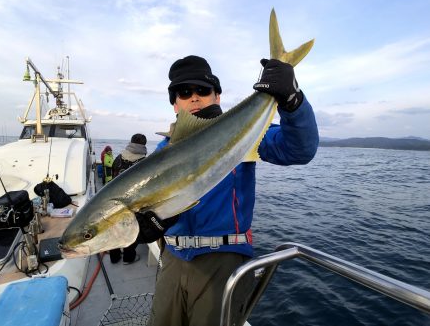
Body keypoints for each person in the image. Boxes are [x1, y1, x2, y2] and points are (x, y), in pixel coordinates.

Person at [136, 55, 319, 325]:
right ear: (175, 103)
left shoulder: (242, 134)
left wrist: (293, 102)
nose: (194, 98)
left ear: (217, 96)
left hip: (222, 262)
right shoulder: (164, 149)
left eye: (203, 90)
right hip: (173, 259)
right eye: (184, 92)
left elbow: (298, 149)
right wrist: (143, 224)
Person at [109, 134, 148, 264]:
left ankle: (114, 257)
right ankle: (128, 258)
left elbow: (111, 178)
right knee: (131, 230)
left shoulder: (119, 158)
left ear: (130, 142)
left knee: (114, 229)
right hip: (133, 203)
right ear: (144, 145)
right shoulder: (144, 162)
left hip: (114, 201)